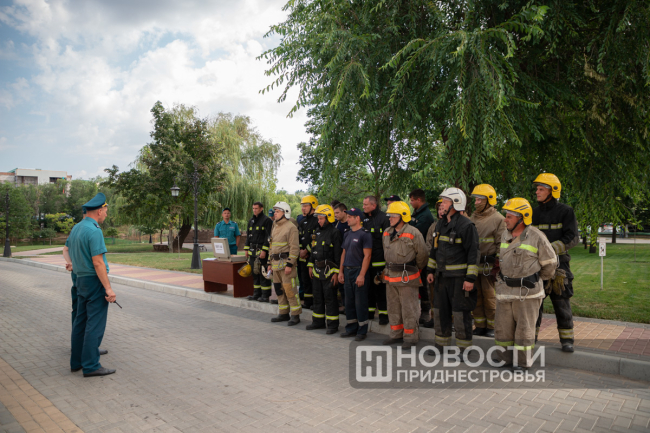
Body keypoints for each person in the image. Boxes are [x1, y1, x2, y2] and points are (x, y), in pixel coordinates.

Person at [495, 198, 557, 369]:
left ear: (522, 218)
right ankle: (504, 359)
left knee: (524, 330)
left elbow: (550, 264)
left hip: (527, 294)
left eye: (509, 217)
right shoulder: (505, 235)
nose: (505, 220)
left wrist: (534, 279)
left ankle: (523, 363)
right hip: (505, 291)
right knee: (502, 329)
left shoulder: (537, 237)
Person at [67, 193, 116, 377]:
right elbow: (98, 262)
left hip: (80, 280)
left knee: (80, 322)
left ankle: (76, 362)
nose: (106, 214)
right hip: (94, 281)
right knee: (94, 325)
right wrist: (108, 288)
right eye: (106, 211)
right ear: (99, 211)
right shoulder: (94, 230)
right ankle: (91, 365)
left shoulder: (77, 228)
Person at [426, 188, 479, 354]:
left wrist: (470, 278)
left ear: (456, 203)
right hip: (441, 278)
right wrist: (430, 270)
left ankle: (464, 349)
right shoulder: (440, 224)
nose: (441, 204)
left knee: (461, 314)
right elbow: (435, 249)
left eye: (445, 201)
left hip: (459, 279)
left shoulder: (466, 226)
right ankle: (441, 346)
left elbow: (473, 254)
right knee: (440, 312)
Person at [531, 173, 579, 352]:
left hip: (560, 267)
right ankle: (531, 338)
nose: (537, 192)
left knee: (561, 303)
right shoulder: (533, 213)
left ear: (553, 191)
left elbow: (572, 238)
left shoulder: (565, 211)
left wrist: (548, 250)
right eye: (537, 189)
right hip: (537, 266)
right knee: (535, 304)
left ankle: (567, 341)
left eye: (541, 189)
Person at [381, 201, 428, 349]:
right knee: (393, 307)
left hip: (407, 277)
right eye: (389, 215)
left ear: (403, 216)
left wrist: (412, 268)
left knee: (409, 309)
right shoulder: (386, 232)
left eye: (393, 215)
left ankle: (410, 337)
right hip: (390, 277)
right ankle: (396, 334)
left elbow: (423, 255)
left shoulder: (414, 232)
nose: (390, 218)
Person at [469, 184, 506, 338]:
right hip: (474, 265)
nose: (476, 202)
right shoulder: (472, 218)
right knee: (476, 296)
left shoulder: (498, 219)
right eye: (475, 199)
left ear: (489, 200)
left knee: (489, 297)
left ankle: (492, 326)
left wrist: (497, 265)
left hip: (489, 266)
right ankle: (480, 325)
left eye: (479, 199)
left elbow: (501, 244)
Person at [307, 205, 343, 334]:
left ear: (328, 218)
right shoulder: (316, 232)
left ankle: (333, 325)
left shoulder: (335, 233)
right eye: (318, 219)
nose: (319, 221)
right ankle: (318, 322)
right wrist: (310, 265)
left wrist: (336, 273)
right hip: (317, 270)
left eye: (321, 218)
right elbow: (313, 251)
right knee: (317, 297)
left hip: (329, 271)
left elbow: (338, 255)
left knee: (330, 298)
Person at [338, 208, 372, 341]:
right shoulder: (347, 234)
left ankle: (362, 331)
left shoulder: (365, 234)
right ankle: (351, 328)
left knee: (360, 302)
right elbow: (343, 253)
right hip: (347, 271)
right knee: (349, 302)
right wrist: (341, 271)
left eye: (350, 217)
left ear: (357, 218)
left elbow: (367, 256)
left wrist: (362, 275)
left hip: (358, 270)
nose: (347, 219)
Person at [269, 201, 302, 325]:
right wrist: (269, 263)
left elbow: (295, 248)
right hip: (275, 264)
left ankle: (295, 315)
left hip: (286, 265)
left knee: (290, 290)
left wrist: (290, 264)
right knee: (279, 290)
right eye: (275, 211)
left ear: (285, 212)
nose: (275, 213)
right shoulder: (275, 226)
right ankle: (283, 313)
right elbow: (271, 246)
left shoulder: (291, 228)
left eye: (277, 211)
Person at [362, 195, 390, 325]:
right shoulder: (363, 219)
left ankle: (384, 315)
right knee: (369, 289)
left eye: (366, 205)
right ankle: (370, 312)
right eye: (363, 204)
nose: (363, 207)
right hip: (366, 261)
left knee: (380, 289)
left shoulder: (384, 218)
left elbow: (387, 242)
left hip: (380, 261)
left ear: (374, 205)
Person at [408, 188, 435, 325]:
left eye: (412, 200)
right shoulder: (417, 213)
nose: (411, 202)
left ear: (419, 200)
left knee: (423, 284)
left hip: (422, 255)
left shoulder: (425, 216)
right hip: (415, 254)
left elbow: (415, 234)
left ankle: (425, 311)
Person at [244, 202, 274, 302]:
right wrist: (246, 249)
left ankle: (265, 295)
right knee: (255, 273)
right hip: (252, 251)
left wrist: (264, 250)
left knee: (263, 273)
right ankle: (256, 294)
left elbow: (268, 237)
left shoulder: (267, 221)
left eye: (256, 208)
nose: (254, 210)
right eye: (253, 208)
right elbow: (248, 236)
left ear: (261, 209)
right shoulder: (251, 221)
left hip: (261, 251)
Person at [298, 195, 320, 309]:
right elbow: (299, 238)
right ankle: (308, 302)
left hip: (313, 257)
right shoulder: (302, 222)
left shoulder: (317, 221)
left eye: (306, 206)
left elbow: (317, 240)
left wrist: (306, 250)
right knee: (305, 280)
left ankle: (316, 303)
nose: (303, 208)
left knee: (314, 281)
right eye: (302, 206)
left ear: (313, 206)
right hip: (303, 257)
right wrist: (300, 251)